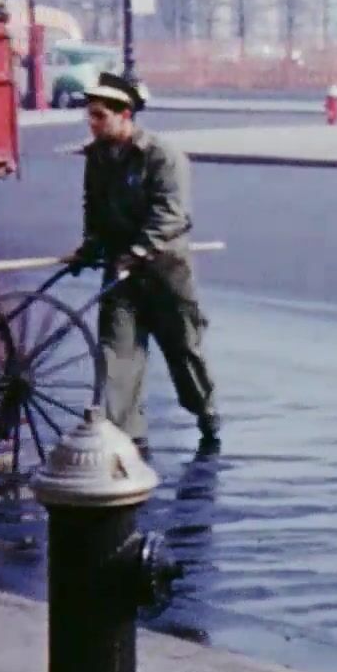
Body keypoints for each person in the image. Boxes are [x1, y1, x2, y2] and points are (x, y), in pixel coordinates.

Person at [68, 73, 222, 456]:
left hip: (164, 270)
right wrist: (90, 246)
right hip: (121, 273)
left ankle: (206, 413)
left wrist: (139, 251)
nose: (92, 122)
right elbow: (94, 207)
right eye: (90, 114)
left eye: (99, 115)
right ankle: (128, 438)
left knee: (183, 349)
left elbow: (172, 215)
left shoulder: (162, 156)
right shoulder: (98, 157)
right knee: (116, 356)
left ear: (125, 114)